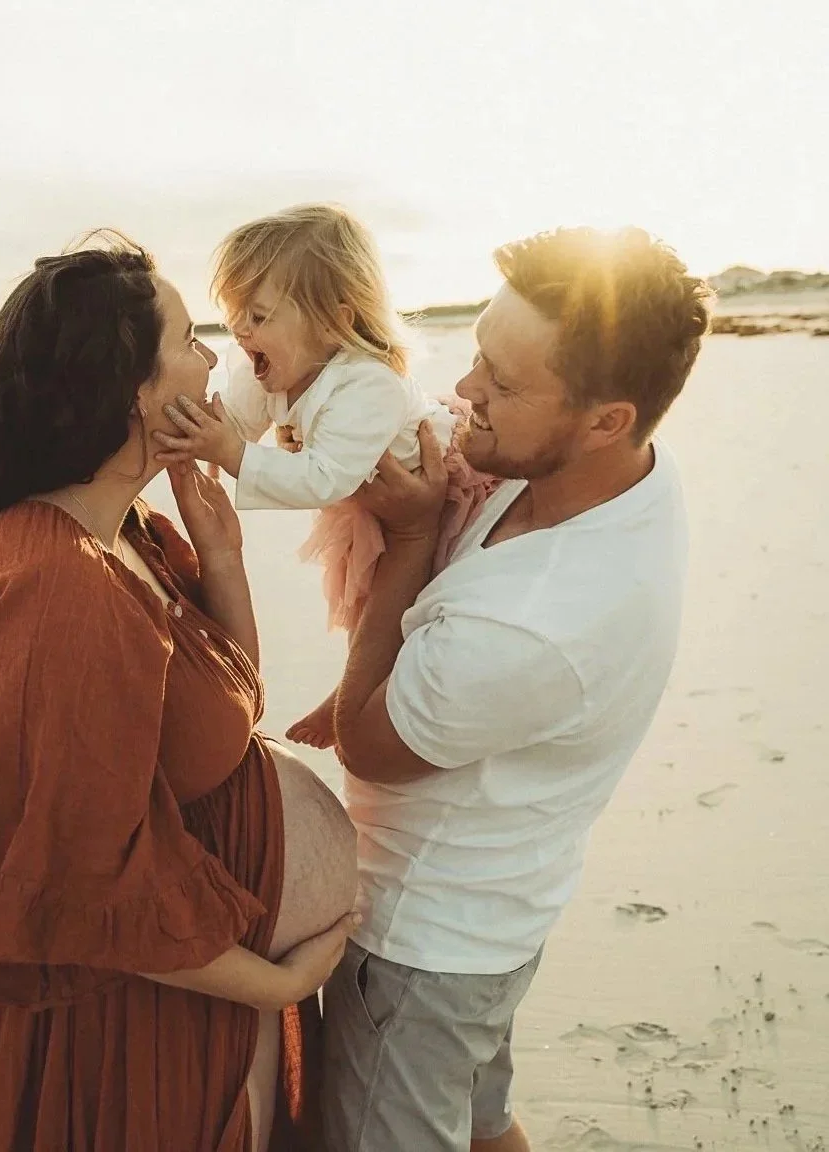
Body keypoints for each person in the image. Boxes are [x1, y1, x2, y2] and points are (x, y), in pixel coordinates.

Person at [0, 233, 360, 1152]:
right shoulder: (54, 580)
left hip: (194, 984)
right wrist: (274, 985)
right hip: (132, 1019)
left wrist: (224, 561)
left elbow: (231, 712)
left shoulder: (126, 531)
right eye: (189, 340)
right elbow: (79, 877)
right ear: (134, 388)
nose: (214, 358)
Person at [320, 227, 712, 1152]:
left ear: (607, 418)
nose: (464, 394)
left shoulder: (536, 622)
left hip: (422, 946)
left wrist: (410, 541)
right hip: (502, 910)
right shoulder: (622, 480)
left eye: (502, 384)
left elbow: (367, 744)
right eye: (477, 358)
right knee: (484, 1129)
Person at [152, 204, 496, 752]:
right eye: (237, 314)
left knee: (415, 603)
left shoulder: (368, 382)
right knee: (370, 600)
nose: (241, 331)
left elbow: (322, 480)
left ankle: (359, 691)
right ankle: (351, 684)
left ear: (335, 322)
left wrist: (236, 454)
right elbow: (235, 426)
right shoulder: (269, 370)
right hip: (365, 495)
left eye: (259, 316)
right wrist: (205, 441)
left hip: (444, 489)